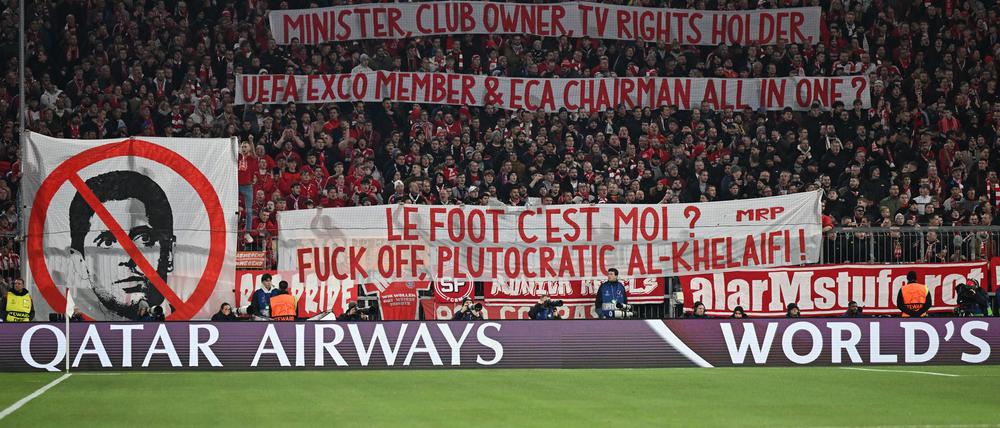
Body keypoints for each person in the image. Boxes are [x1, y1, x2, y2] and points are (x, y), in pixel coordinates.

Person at [68, 171, 176, 321]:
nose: (130, 259)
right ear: (79, 261)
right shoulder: (80, 323)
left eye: (144, 238)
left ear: (169, 253)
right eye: (107, 242)